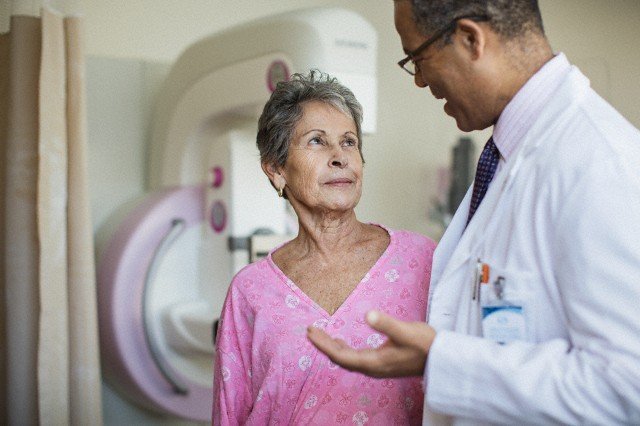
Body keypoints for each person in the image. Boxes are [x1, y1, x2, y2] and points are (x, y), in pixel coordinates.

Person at [307, 0, 640, 424]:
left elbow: (628, 388)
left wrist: (443, 361)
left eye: (419, 58)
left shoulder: (599, 165)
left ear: (470, 39)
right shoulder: (505, 158)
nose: (421, 81)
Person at [212, 70, 436, 425]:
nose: (339, 157)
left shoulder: (421, 260)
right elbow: (230, 413)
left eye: (349, 142)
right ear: (276, 170)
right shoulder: (250, 291)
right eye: (317, 141)